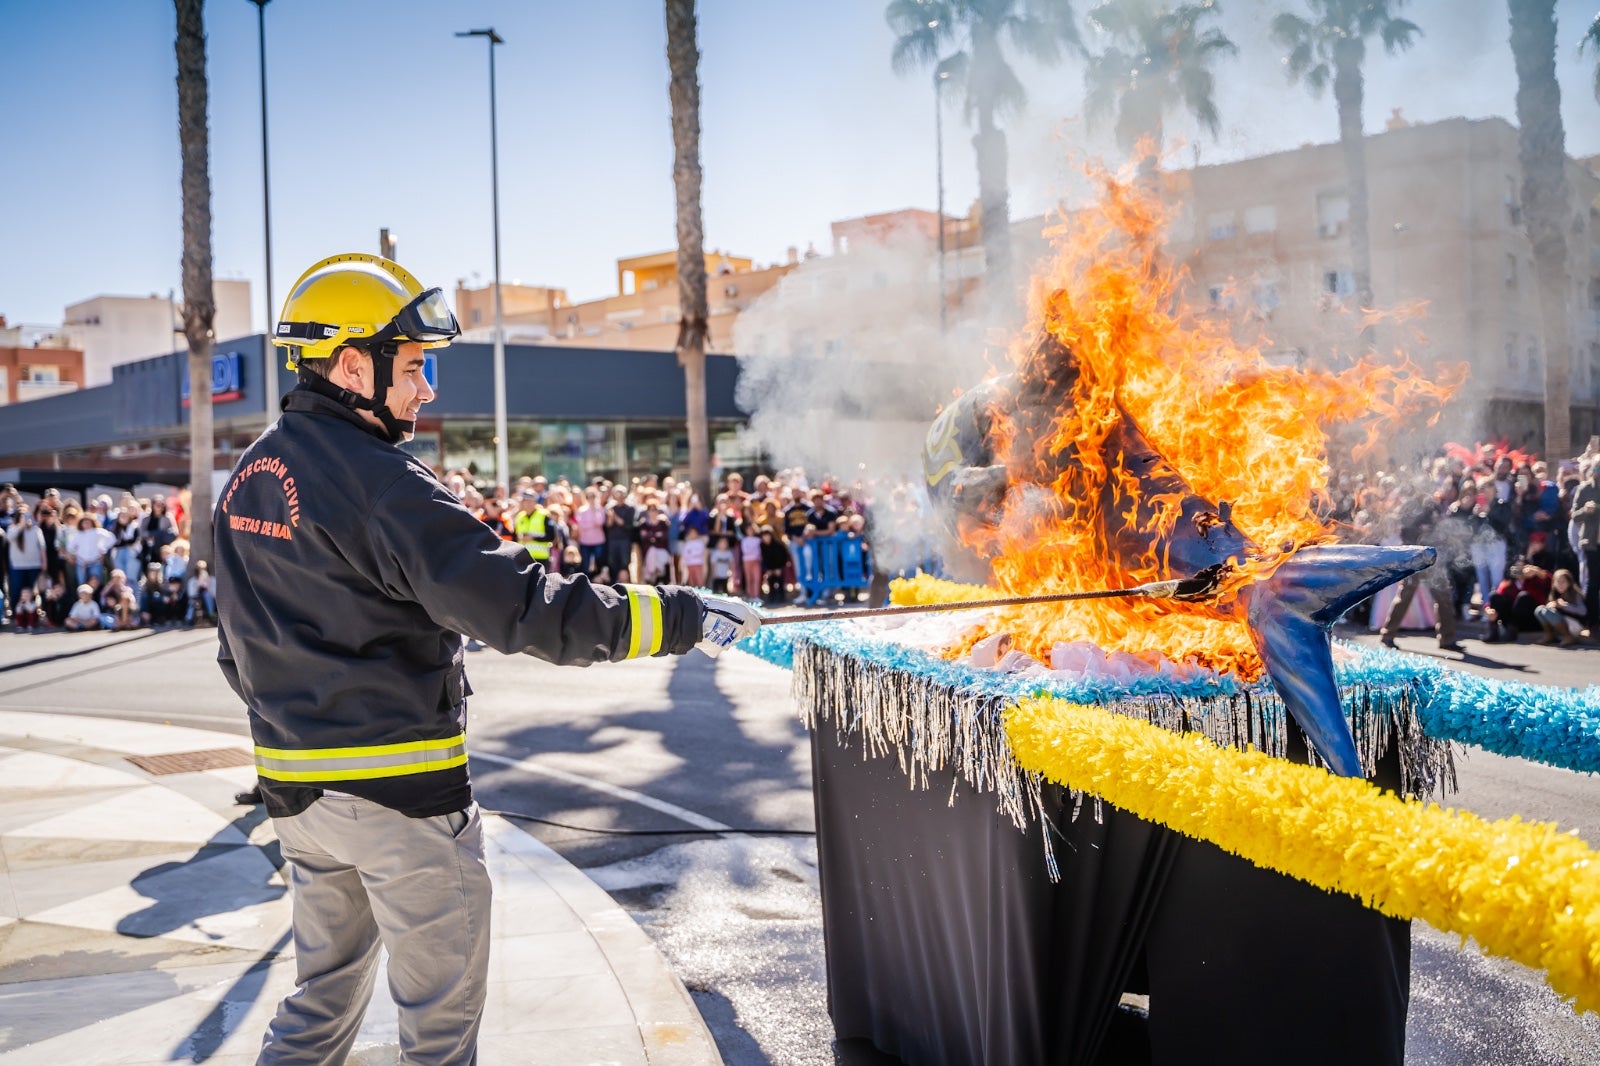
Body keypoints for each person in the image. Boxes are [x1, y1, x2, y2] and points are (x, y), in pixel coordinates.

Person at [218, 253, 761, 1066]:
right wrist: (681, 616)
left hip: (297, 795)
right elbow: (526, 608)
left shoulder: (251, 474)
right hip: (401, 798)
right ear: (352, 365)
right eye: (413, 367)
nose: (427, 388)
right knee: (439, 1038)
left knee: (317, 1009)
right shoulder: (383, 483)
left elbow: (233, 649)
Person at [1533, 569, 1586, 646]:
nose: (1560, 584)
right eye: (1558, 582)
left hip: (1574, 624)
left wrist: (1564, 606)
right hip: (1562, 622)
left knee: (1548, 612)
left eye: (1563, 582)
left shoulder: (1575, 593)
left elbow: (1583, 611)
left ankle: (1568, 636)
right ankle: (1549, 635)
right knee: (1539, 610)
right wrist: (1551, 606)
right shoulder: (1554, 593)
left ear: (1569, 582)